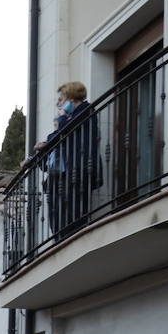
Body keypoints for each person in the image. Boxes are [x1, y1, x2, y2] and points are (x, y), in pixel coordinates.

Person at [37, 81, 101, 235]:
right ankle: (60, 238)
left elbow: (63, 132)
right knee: (58, 209)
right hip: (68, 170)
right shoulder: (71, 116)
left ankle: (73, 235)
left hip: (79, 168)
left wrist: (62, 119)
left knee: (74, 209)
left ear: (71, 98)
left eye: (62, 99)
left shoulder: (85, 109)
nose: (60, 104)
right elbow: (58, 137)